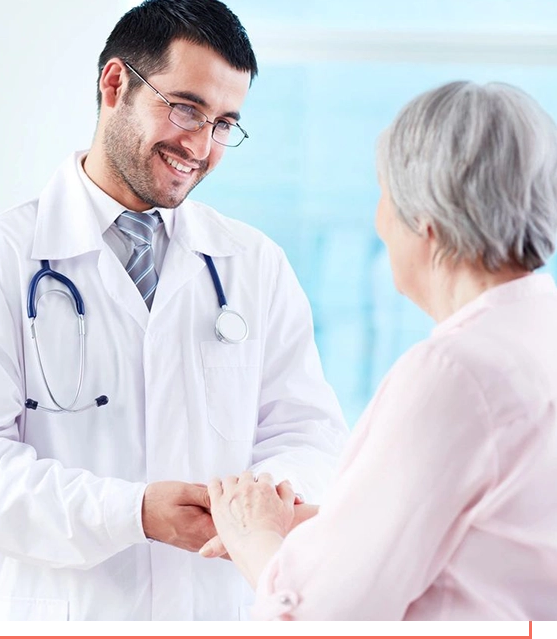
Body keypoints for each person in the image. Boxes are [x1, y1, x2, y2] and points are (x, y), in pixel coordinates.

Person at [0, 0, 348, 624]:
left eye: (224, 123)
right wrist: (133, 513)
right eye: (186, 109)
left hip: (216, 610)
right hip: (64, 614)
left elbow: (310, 434)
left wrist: (257, 500)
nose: (200, 146)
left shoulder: (253, 264)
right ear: (116, 84)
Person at [203, 80, 557, 623]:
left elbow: (318, 618)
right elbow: (490, 540)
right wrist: (336, 525)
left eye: (384, 197)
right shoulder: (537, 331)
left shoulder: (454, 372)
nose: (379, 221)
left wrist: (254, 535)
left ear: (428, 222)